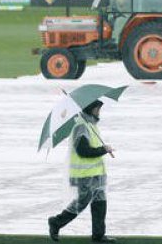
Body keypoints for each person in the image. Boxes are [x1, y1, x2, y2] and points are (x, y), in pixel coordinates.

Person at [48, 100, 116, 243]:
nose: (99, 112)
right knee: (81, 203)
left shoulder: (91, 125)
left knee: (100, 204)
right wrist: (104, 150)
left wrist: (104, 149)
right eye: (97, 109)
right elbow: (83, 151)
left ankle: (98, 235)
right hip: (84, 175)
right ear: (91, 109)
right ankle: (56, 222)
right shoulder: (81, 126)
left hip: (97, 174)